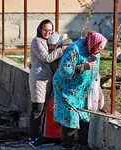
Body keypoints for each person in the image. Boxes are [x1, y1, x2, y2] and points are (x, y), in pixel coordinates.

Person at [53, 30, 107, 150]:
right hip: (66, 90)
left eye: (102, 48)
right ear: (93, 43)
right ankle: (67, 146)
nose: (101, 51)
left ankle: (83, 145)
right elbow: (64, 71)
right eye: (100, 48)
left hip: (82, 91)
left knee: (84, 115)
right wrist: (83, 67)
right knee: (71, 118)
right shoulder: (74, 49)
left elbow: (95, 70)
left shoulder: (94, 49)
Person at [29, 19, 67, 148]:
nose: (47, 32)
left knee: (43, 109)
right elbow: (47, 58)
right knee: (37, 109)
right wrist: (61, 49)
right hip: (38, 80)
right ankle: (33, 137)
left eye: (50, 30)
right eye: (45, 30)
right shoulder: (36, 41)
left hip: (46, 80)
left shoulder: (47, 41)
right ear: (40, 29)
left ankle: (39, 134)